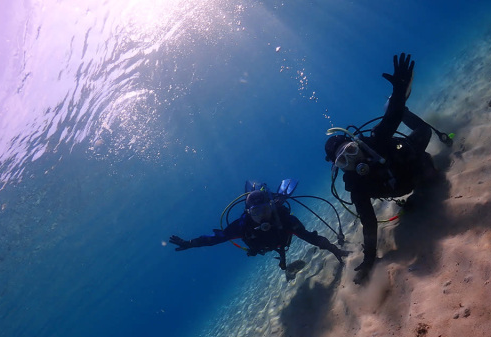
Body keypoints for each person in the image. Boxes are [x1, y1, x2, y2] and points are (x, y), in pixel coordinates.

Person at [324, 53, 451, 284]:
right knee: (426, 187)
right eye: (344, 161)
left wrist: (400, 92)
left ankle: (405, 110)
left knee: (425, 135)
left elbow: (390, 120)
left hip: (412, 156)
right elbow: (369, 222)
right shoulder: (356, 187)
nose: (352, 161)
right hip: (403, 184)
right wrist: (370, 259)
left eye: (351, 151)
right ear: (338, 168)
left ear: (357, 144)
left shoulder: (375, 141)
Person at [169, 180, 349, 272]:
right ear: (248, 213)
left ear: (272, 207)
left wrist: (337, 251)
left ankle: (284, 262)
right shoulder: (242, 226)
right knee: (283, 263)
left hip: (281, 240)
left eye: (264, 210)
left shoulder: (284, 220)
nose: (262, 217)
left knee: (285, 252)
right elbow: (214, 239)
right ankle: (284, 264)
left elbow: (312, 238)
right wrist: (190, 243)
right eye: (256, 212)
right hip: (262, 246)